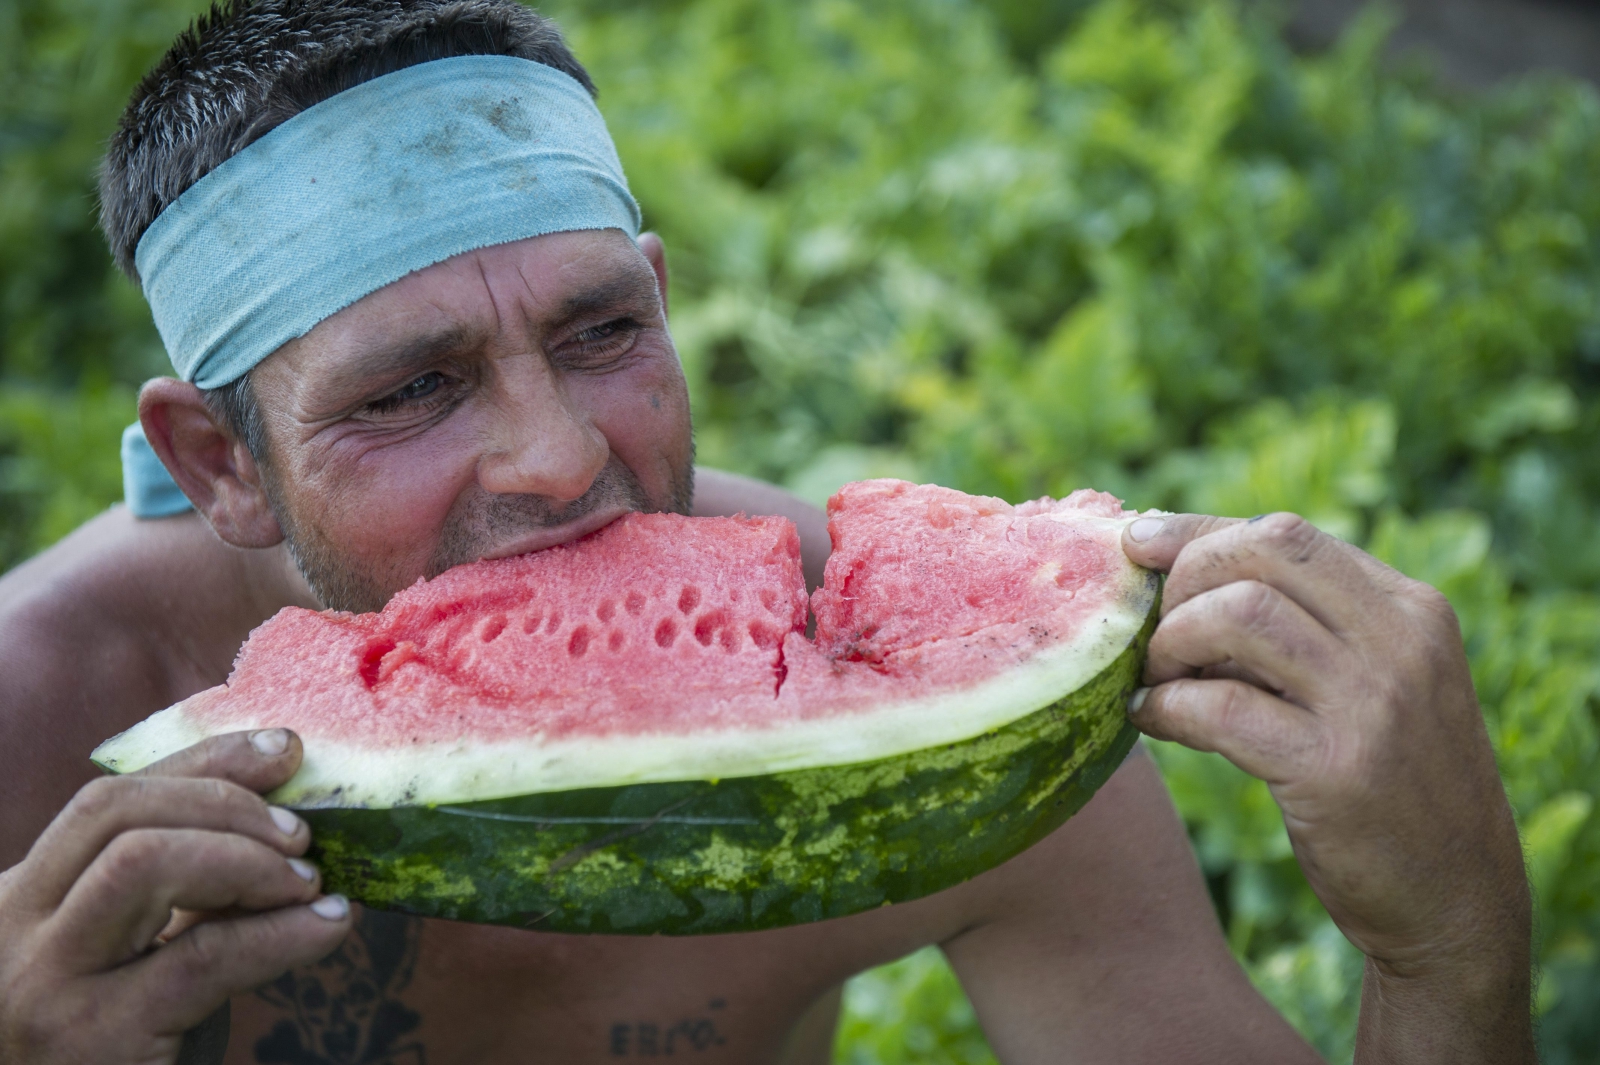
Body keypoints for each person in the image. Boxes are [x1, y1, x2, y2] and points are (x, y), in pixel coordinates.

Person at [0, 1, 1535, 1062]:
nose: (556, 455)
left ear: (662, 302)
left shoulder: (945, 713)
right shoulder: (30, 719)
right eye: (410, 390)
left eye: (600, 334)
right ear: (221, 461)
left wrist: (1451, 954)